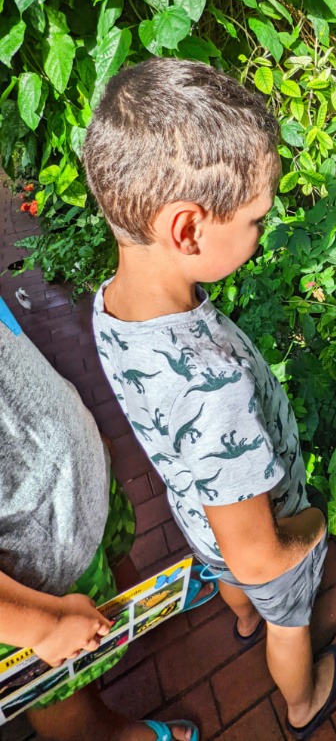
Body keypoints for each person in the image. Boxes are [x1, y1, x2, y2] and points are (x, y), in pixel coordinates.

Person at [84, 57, 336, 741]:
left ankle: (239, 616)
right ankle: (303, 699)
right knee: (284, 613)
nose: (262, 233)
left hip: (200, 510)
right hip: (257, 528)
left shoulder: (116, 305)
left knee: (231, 575)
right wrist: (316, 524)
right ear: (186, 229)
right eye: (257, 219)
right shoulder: (214, 393)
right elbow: (260, 556)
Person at [0, 295, 198, 741]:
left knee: (118, 565)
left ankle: (143, 620)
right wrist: (42, 624)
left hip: (77, 487)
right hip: (33, 572)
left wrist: (76, 419)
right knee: (53, 691)